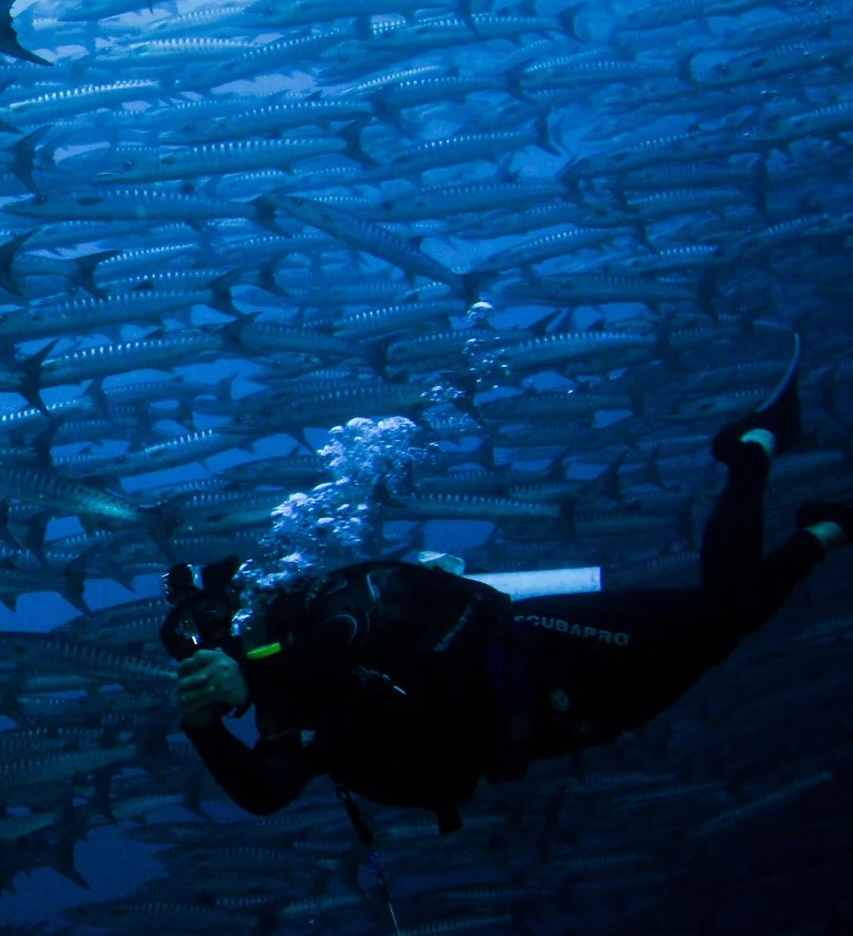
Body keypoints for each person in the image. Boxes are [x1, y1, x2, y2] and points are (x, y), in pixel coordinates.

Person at [169, 355, 849, 833]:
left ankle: (754, 449)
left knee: (718, 615)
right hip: (551, 725)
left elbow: (360, 628)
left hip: (553, 653)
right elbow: (264, 792)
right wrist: (201, 729)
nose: (217, 649)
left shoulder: (326, 599)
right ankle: (826, 524)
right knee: (719, 634)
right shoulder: (286, 707)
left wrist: (250, 666)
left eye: (217, 632)